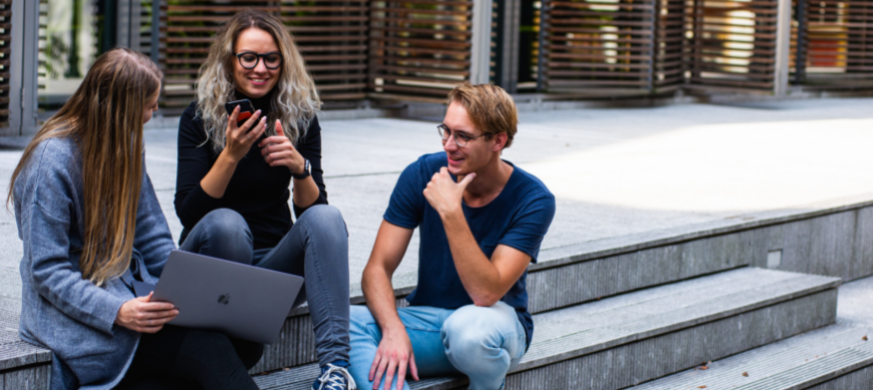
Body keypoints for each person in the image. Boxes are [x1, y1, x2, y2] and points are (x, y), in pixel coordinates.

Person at [9, 48, 263, 390]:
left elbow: (152, 235)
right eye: (149, 104)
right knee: (209, 350)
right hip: (81, 316)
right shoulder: (50, 163)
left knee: (245, 341)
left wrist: (183, 291)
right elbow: (47, 271)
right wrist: (118, 310)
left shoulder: (126, 143)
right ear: (122, 108)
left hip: (133, 293)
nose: (154, 112)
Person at [174, 10, 354, 390]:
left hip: (271, 269)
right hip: (211, 264)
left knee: (328, 218)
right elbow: (188, 212)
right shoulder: (199, 118)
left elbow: (313, 217)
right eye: (249, 57)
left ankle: (335, 369)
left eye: (271, 58)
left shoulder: (299, 118)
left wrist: (299, 168)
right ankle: (222, 348)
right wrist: (231, 155)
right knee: (227, 224)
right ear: (230, 61)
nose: (260, 68)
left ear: (283, 61)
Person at [347, 83, 556, 390]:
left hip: (493, 328)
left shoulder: (533, 199)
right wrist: (392, 330)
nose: (448, 145)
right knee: (342, 322)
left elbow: (485, 294)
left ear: (498, 140)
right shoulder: (423, 172)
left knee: (468, 329)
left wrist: (451, 212)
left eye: (463, 136)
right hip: (430, 322)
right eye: (446, 131)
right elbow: (377, 269)